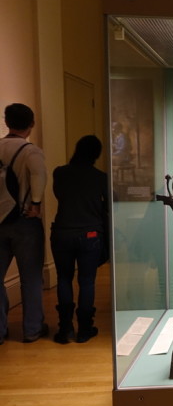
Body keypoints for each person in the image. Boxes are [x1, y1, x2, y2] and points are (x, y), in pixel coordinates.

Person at [50, 135, 108, 343]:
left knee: (63, 278)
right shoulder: (100, 177)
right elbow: (110, 204)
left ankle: (65, 329)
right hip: (90, 233)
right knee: (87, 281)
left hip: (63, 231)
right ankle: (84, 329)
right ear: (96, 154)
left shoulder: (60, 173)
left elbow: (59, 195)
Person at [0, 103, 48, 344]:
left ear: (6, 122)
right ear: (31, 124)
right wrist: (36, 204)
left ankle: (0, 330)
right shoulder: (31, 151)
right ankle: (32, 329)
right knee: (30, 277)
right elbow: (39, 176)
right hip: (24, 220)